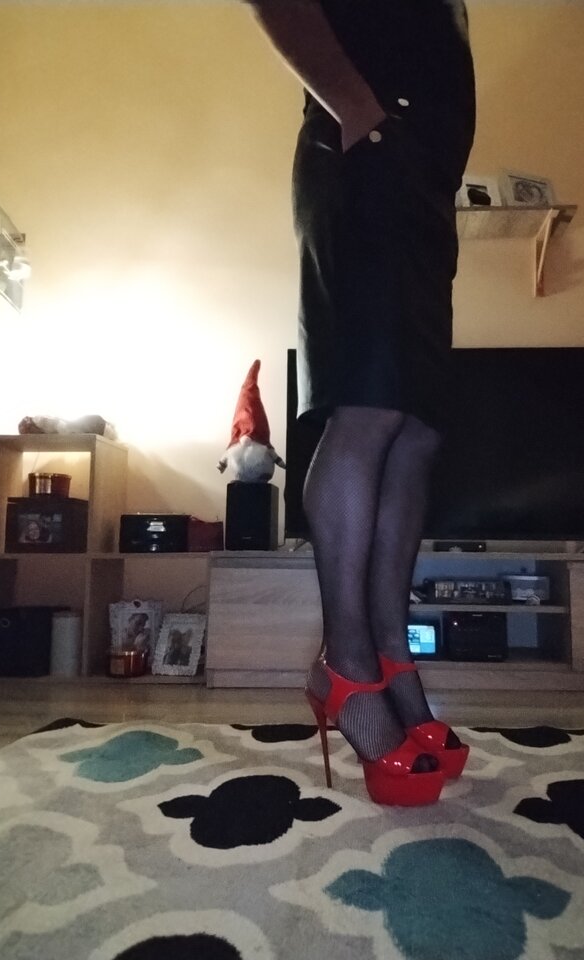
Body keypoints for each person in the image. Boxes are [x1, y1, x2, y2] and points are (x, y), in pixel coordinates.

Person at [248, 0, 476, 805]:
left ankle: (390, 657)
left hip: (420, 178)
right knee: (369, 409)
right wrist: (358, 112)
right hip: (370, 152)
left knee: (415, 430)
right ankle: (345, 666)